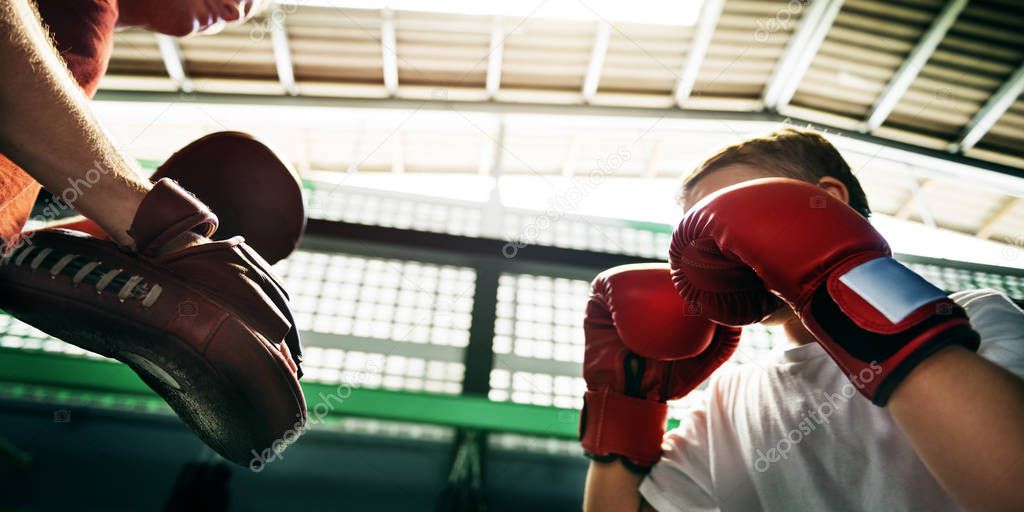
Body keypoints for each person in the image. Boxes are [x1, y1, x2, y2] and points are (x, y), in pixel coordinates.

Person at [580, 128, 1024, 511]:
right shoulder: (728, 399)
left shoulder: (971, 317)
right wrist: (627, 402)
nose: (709, 248)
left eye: (728, 209)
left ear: (825, 201)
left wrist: (852, 290)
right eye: (692, 233)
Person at [0, 0, 304, 466]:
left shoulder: (80, 28)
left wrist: (95, 234)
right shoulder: (87, 18)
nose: (244, 7)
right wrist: (147, 218)